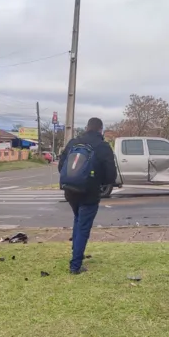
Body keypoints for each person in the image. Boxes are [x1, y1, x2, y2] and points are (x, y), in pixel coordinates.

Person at [58, 117, 117, 275]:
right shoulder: (103, 146)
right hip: (89, 192)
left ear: (87, 127)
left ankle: (76, 251)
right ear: (100, 130)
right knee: (83, 226)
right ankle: (75, 265)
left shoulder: (73, 143)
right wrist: (98, 181)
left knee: (78, 219)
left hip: (70, 190)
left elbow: (60, 166)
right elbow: (111, 176)